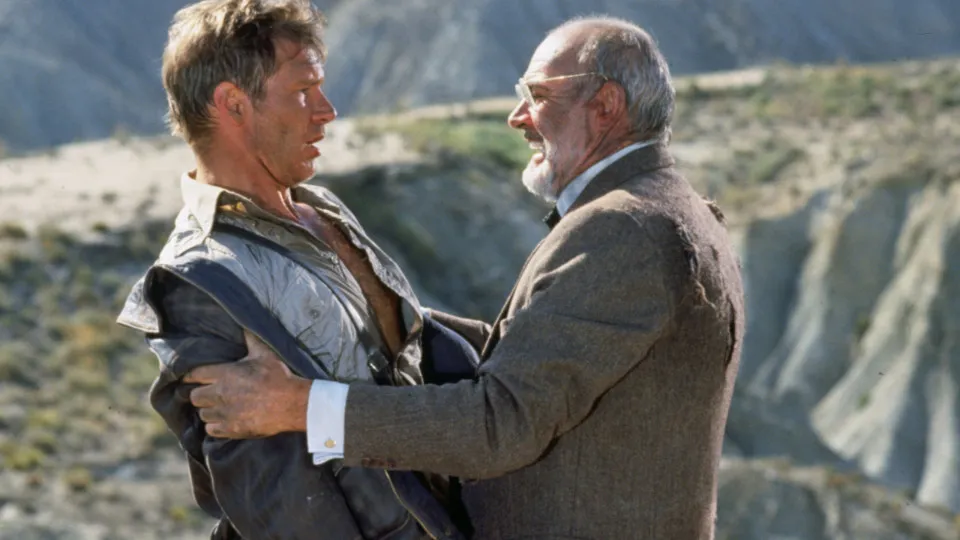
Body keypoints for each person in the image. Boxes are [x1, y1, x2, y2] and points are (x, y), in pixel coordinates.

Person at [186, 15, 745, 539]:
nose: (517, 117)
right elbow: (539, 352)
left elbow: (499, 424)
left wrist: (299, 407)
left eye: (538, 96)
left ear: (605, 106)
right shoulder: (673, 208)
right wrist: (381, 310)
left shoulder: (622, 229)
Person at [115, 0, 471, 538]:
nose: (327, 111)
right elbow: (280, 502)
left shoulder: (320, 208)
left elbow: (409, 356)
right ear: (233, 104)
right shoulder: (197, 280)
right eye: (304, 91)